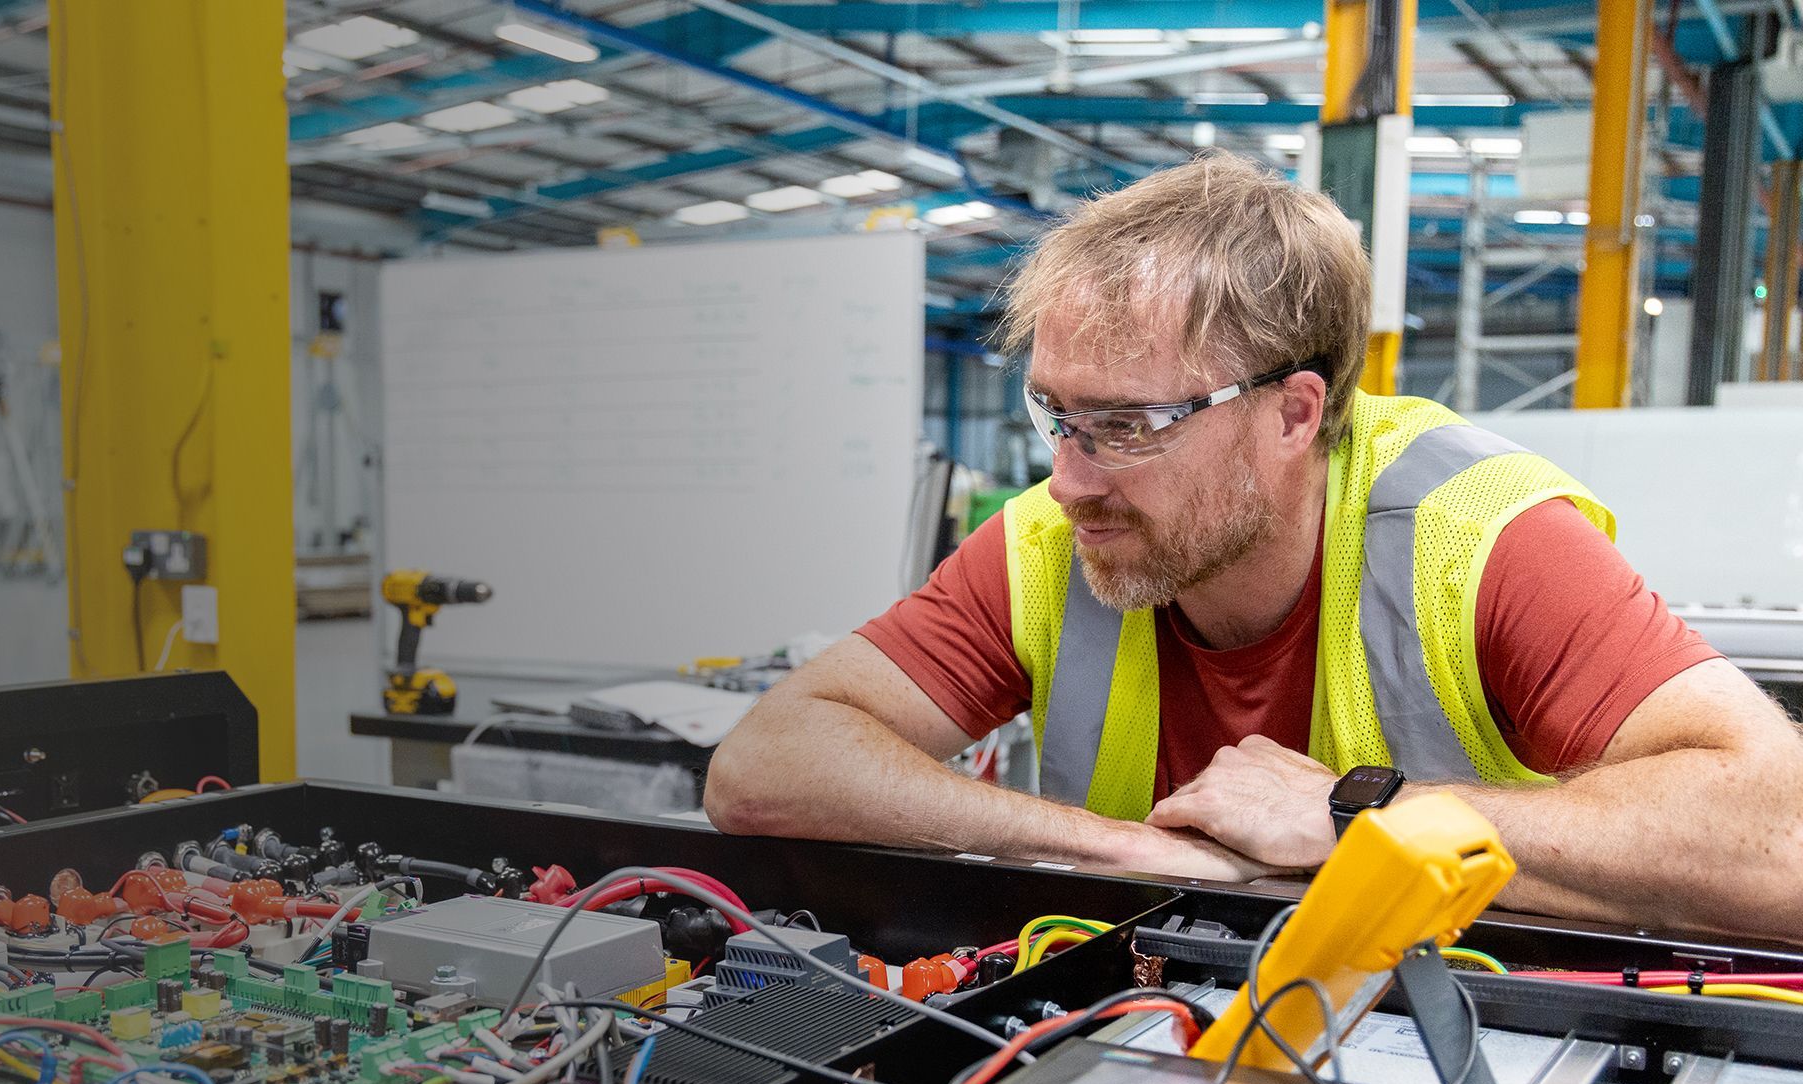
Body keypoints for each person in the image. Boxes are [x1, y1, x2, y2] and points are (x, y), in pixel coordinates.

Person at [705, 151, 1803, 940]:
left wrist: (1357, 812)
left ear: (1290, 413)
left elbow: (1780, 836)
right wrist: (1121, 846)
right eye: (1056, 414)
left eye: (1128, 426)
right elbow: (764, 764)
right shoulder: (1049, 541)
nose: (1069, 478)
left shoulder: (1473, 537)